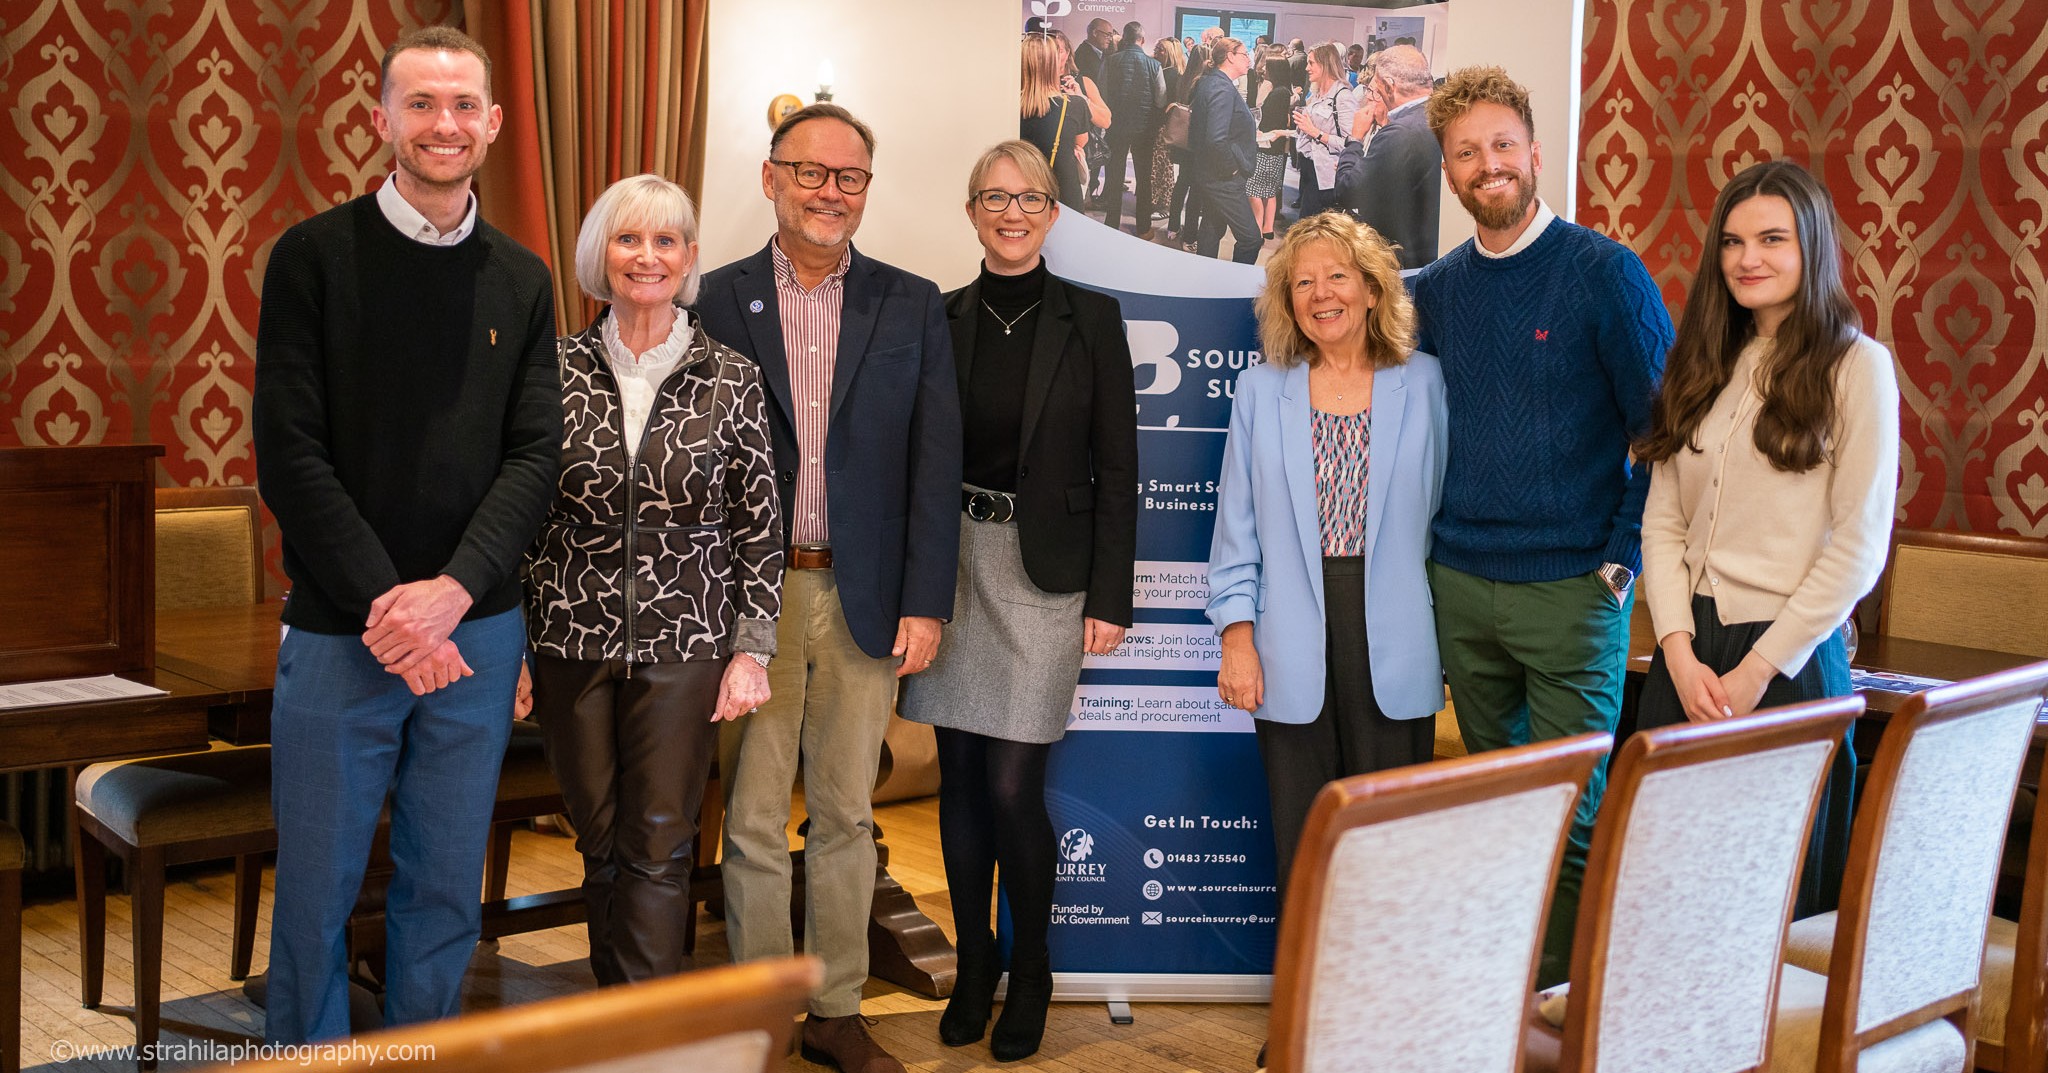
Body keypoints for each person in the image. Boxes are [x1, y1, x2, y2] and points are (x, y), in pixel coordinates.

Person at [252, 26, 561, 1042]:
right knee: (316, 894)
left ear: (494, 123)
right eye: (420, 104)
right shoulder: (312, 258)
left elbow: (532, 458)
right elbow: (291, 455)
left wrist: (450, 597)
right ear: (380, 117)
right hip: (347, 629)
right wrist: (394, 602)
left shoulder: (521, 278)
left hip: (474, 629)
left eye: (463, 105)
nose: (443, 124)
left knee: (442, 889)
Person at [694, 103, 962, 1073]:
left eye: (848, 176)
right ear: (771, 178)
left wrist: (927, 598)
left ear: (865, 190)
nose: (829, 191)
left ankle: (838, 1009)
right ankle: (762, 1012)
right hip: (752, 602)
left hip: (865, 598)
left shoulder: (909, 301)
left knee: (847, 809)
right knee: (754, 813)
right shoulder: (715, 299)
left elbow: (936, 463)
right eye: (810, 172)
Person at [1409, 65, 1672, 988]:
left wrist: (1620, 559)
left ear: (1534, 149)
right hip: (1463, 583)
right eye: (1467, 152)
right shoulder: (1435, 291)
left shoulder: (1606, 274)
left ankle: (1562, 1007)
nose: (1490, 165)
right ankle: (1508, 982)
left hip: (1571, 588)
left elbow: (1663, 431)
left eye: (1502, 145)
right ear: (1448, 170)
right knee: (1499, 801)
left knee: (1573, 809)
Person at [901, 140, 1138, 1062]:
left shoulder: (1093, 318)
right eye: (992, 197)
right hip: (950, 564)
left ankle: (1030, 966)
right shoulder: (936, 315)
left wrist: (1110, 593)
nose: (1010, 211)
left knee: (1010, 783)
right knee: (958, 779)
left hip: (1048, 574)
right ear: (971, 211)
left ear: (1052, 212)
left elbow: (1119, 470)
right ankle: (974, 965)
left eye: (1028, 197)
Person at [521, 174, 782, 987]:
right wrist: (514, 648)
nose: (647, 256)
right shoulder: (550, 372)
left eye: (665, 240)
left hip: (687, 645)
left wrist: (752, 649)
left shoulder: (731, 377)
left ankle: (652, 1042)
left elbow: (759, 526)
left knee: (661, 845)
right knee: (599, 843)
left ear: (689, 258)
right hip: (569, 637)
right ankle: (622, 1018)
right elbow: (520, 519)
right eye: (629, 239)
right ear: (600, 254)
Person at [1635, 159, 1898, 917]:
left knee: (1773, 910)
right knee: (1673, 898)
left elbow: (1858, 547)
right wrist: (1677, 652)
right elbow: (1663, 520)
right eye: (1733, 241)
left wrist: (1753, 674)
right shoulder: (1704, 359)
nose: (1748, 258)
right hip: (1687, 659)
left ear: (1812, 246)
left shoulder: (1858, 368)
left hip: (1788, 662)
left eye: (1773, 239)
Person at [1208, 211, 1447, 902]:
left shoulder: (1426, 383)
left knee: (1390, 838)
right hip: (1287, 642)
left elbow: (1442, 519)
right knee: (1307, 839)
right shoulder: (1260, 390)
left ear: (1373, 289)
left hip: (1397, 641)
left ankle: (1387, 1004)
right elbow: (1236, 531)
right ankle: (1311, 1007)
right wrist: (1238, 641)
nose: (1321, 294)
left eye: (1338, 275)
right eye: (1303, 282)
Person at [1333, 44, 1440, 268]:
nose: (1373, 96)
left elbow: (1348, 190)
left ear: (1390, 86)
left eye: (1376, 90)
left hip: (1400, 255)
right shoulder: (1440, 116)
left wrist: (1355, 139)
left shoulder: (1400, 133)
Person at [1190, 36, 1261, 263]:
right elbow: (1216, 139)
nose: (1249, 60)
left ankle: (1205, 280)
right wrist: (1231, 169)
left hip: (1210, 172)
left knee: (1212, 228)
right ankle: (1236, 287)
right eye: (1245, 55)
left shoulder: (1213, 82)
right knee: (1251, 238)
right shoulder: (1221, 88)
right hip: (1222, 178)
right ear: (1230, 57)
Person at [1021, 32, 1105, 213]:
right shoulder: (1074, 104)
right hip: (1062, 187)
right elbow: (1080, 142)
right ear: (1052, 64)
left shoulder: (1007, 105)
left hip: (1021, 186)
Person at [1099, 20, 1165, 236]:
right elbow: (1161, 99)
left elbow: (1102, 94)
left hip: (1116, 126)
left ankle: (1111, 225)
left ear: (1125, 38)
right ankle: (1144, 227)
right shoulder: (1154, 64)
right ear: (1142, 40)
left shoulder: (1110, 61)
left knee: (1114, 176)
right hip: (1144, 128)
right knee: (1144, 178)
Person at [1290, 43, 1357, 219]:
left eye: (1311, 63)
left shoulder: (1343, 97)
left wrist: (1315, 132)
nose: (1307, 68)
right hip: (1309, 169)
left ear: (1325, 64)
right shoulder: (1317, 93)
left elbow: (1350, 144)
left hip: (1326, 177)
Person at [1248, 54, 1295, 240]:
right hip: (1275, 149)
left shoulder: (1277, 93)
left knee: (1253, 190)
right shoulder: (1284, 91)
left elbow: (1266, 119)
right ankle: (1267, 228)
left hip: (1266, 147)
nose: (1263, 70)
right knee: (1269, 191)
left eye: (1267, 67)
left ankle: (1258, 228)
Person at [1170, 43, 1212, 248]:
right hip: (1197, 142)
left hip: (1181, 140)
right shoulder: (1202, 82)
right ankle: (1189, 237)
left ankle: (1172, 226)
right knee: (1196, 191)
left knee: (1181, 183)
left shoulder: (1183, 78)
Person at [1148, 37, 1187, 225]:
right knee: (1164, 166)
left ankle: (1162, 205)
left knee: (1161, 167)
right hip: (1169, 126)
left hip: (1163, 126)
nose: (1156, 51)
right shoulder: (1179, 73)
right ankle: (1163, 203)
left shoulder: (1168, 74)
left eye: (1161, 49)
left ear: (1170, 52)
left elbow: (1162, 102)